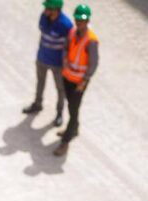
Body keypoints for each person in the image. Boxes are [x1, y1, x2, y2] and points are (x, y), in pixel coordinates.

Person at [54, 4, 99, 157]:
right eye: (78, 18)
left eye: (82, 19)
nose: (79, 21)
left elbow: (93, 64)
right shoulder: (72, 32)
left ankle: (65, 141)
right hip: (68, 77)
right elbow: (67, 47)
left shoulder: (91, 41)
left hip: (79, 82)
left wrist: (84, 81)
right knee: (71, 105)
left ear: (87, 21)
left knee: (73, 110)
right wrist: (64, 58)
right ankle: (75, 128)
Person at [22, 0, 72, 126]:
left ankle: (59, 113)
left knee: (60, 89)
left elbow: (70, 45)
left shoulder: (66, 25)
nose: (45, 10)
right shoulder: (44, 17)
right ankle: (37, 104)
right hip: (42, 59)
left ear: (56, 10)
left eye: (48, 8)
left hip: (57, 64)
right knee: (40, 82)